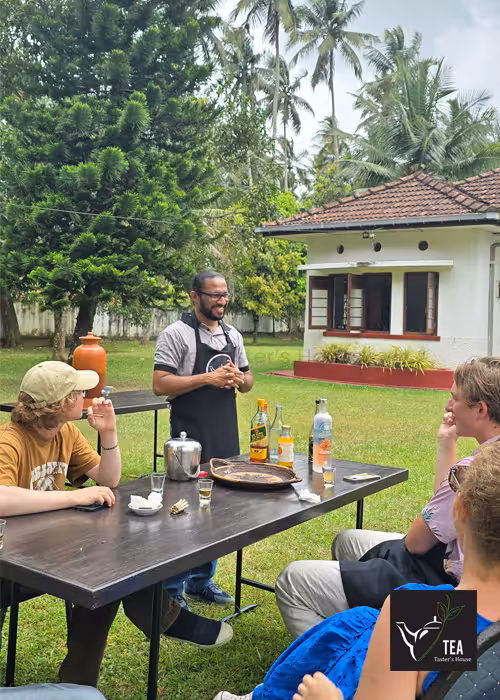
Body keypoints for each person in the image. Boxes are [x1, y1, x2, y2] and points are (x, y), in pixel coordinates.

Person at [0, 361, 232, 688]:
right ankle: (163, 619)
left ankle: (77, 685)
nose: (85, 395)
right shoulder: (9, 440)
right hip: (9, 561)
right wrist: (72, 497)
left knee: (105, 571)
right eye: (78, 391)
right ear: (61, 402)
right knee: (101, 570)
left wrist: (108, 433)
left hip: (47, 550)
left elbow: (109, 479)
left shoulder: (65, 433)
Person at [214, 440, 500, 700]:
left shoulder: (419, 618)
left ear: (459, 509)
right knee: (359, 623)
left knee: (355, 629)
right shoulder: (450, 625)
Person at [275, 356, 500, 638]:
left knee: (292, 579)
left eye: (455, 398)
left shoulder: (473, 472)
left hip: (458, 606)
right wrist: (447, 442)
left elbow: (416, 543)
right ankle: (357, 621)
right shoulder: (486, 464)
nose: (448, 405)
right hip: (464, 580)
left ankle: (349, 654)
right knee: (348, 540)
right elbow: (444, 518)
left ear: (481, 409)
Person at [153, 270, 254, 608]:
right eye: (214, 295)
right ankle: (172, 590)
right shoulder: (175, 334)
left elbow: (249, 381)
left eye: (224, 294)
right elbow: (160, 384)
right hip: (189, 436)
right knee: (184, 512)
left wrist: (239, 378)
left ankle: (201, 581)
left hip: (225, 434)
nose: (221, 301)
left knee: (216, 511)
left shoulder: (232, 335)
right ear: (194, 296)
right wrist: (207, 378)